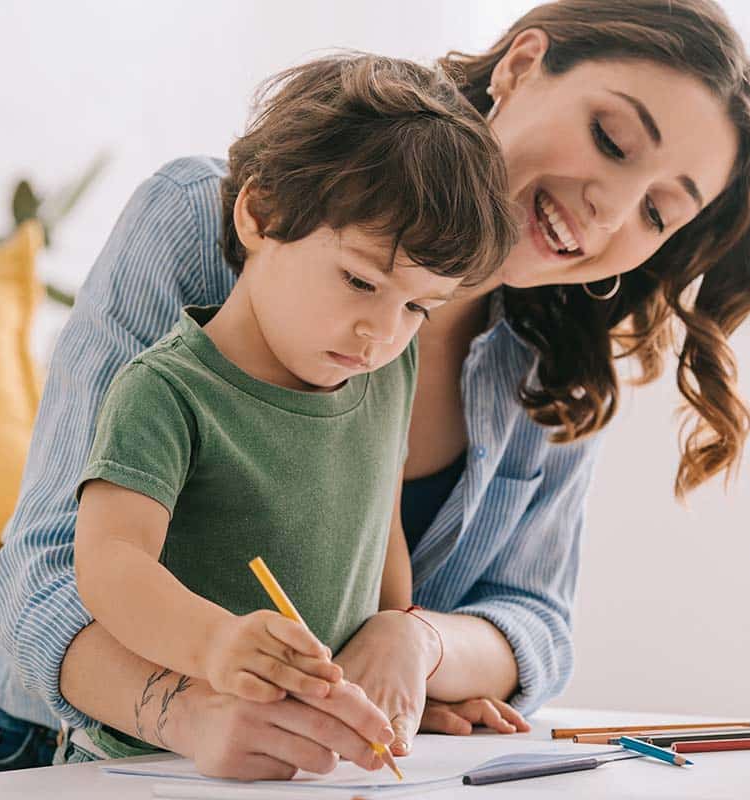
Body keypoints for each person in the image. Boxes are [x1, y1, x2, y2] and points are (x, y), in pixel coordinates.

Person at [0, 0, 750, 781]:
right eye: (610, 137)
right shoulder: (203, 219)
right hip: (60, 750)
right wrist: (190, 714)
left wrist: (412, 643)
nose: (608, 211)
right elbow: (46, 571)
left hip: (322, 770)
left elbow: (534, 622)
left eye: (660, 213)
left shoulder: (555, 364)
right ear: (523, 66)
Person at [63, 53, 515, 764]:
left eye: (417, 308)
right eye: (359, 281)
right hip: (152, 764)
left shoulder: (386, 374)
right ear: (259, 213)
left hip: (310, 757)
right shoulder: (167, 391)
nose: (382, 334)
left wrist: (403, 670)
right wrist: (215, 645)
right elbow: (110, 564)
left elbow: (380, 540)